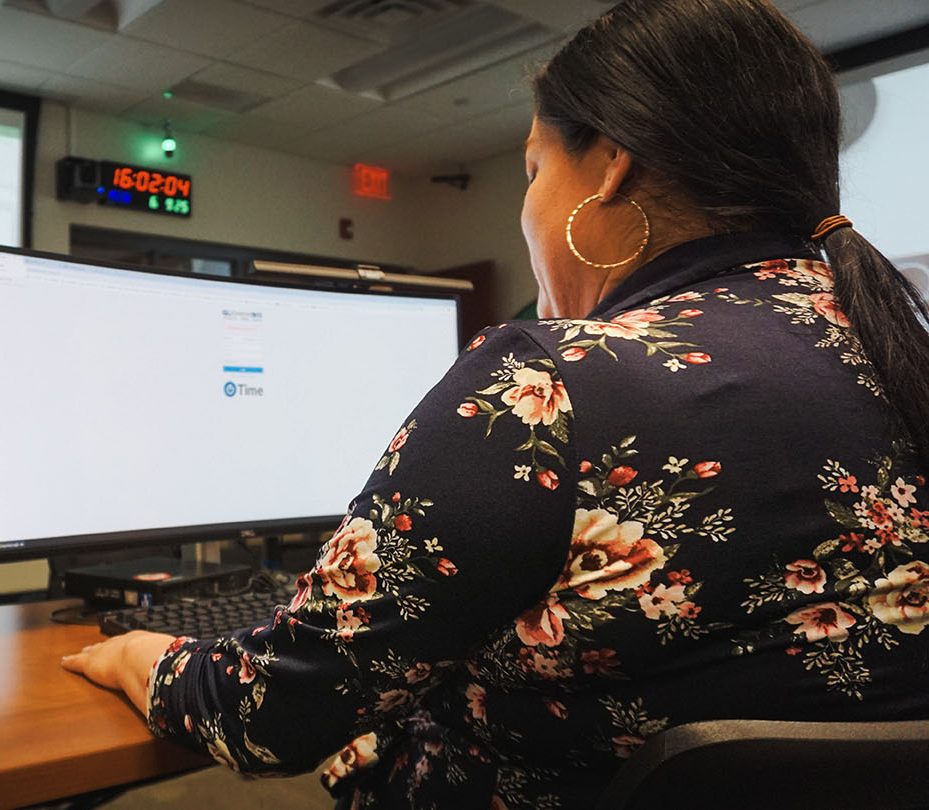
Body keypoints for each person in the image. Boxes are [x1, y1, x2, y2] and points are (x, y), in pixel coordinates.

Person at [62, 1, 929, 806]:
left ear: (609, 168)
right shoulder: (894, 349)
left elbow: (270, 714)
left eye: (531, 169)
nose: (526, 207)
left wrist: (143, 654)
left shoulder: (553, 384)